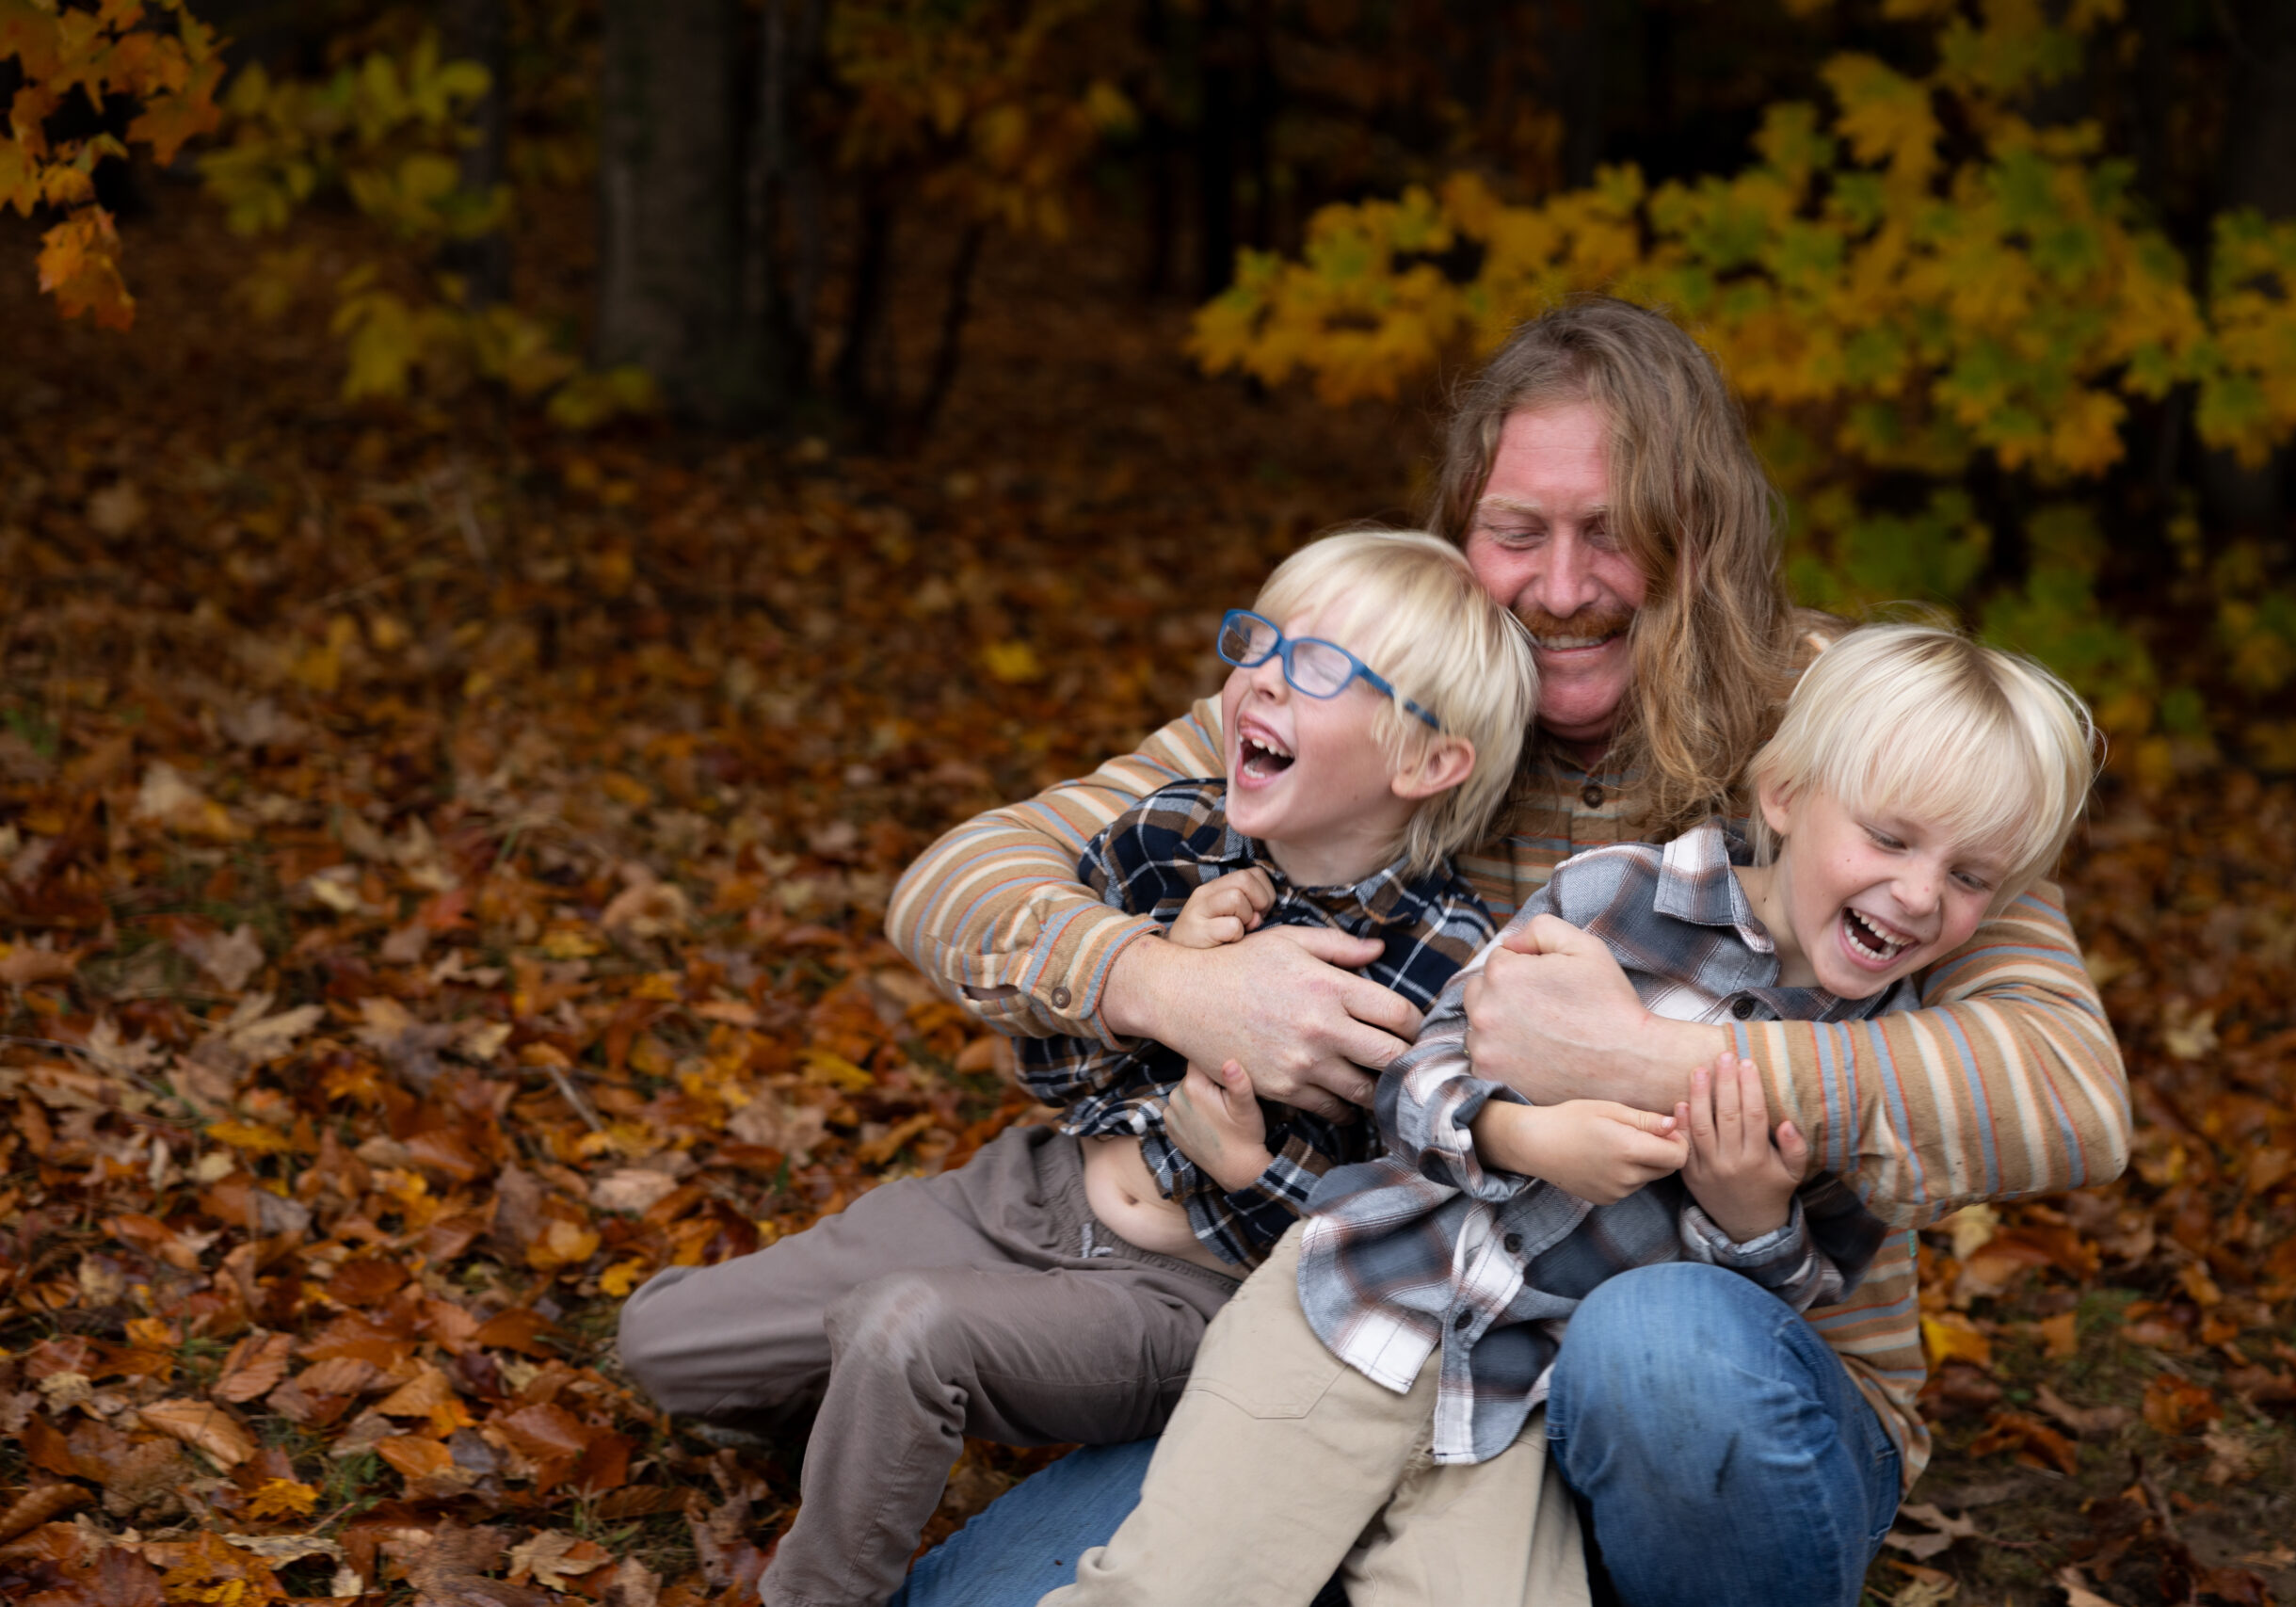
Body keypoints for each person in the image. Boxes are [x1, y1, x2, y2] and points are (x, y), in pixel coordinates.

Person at [880, 297, 2131, 1607]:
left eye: (1619, 535)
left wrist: (1643, 1059)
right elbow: (961, 878)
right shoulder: (1382, 690)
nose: (1563, 585)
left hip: (1707, 1392)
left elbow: (2066, 1087)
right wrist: (1179, 986)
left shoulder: (1853, 725)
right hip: (1387, 1345)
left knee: (1655, 1353)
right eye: (1515, 533)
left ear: (1702, 530)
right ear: (1458, 533)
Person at [1031, 623, 2099, 1607]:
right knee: (1175, 1583)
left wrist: (1748, 1220)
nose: (1917, 896)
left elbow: (1785, 1303)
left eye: (1968, 877)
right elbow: (1417, 1077)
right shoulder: (1615, 900)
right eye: (1889, 839)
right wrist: (1523, 1135)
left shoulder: (1869, 1063)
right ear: (1781, 795)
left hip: (1523, 1407)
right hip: (1361, 1306)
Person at [615, 530, 1534, 1607]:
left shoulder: (1443, 969)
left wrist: (1251, 1175)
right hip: (1031, 1197)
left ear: (1427, 762)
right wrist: (1162, 981)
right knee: (662, 1345)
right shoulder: (1176, 837)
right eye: (1262, 643)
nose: (1262, 681)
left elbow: (1413, 1229)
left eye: (1320, 669)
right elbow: (1043, 1064)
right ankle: (868, 1411)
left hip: (1184, 1298)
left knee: (903, 1329)